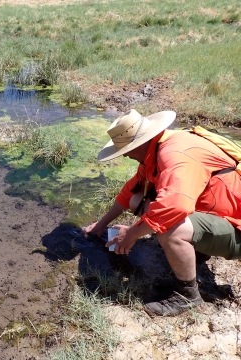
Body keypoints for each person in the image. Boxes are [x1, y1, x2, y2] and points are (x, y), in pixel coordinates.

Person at [84, 109, 241, 316]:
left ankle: (187, 297)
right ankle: (196, 251)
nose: (126, 155)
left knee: (169, 227)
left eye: (126, 150)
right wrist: (102, 224)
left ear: (139, 144)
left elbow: (175, 208)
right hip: (217, 215)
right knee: (137, 200)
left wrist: (131, 233)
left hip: (236, 227)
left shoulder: (174, 153)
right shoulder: (155, 149)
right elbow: (129, 193)